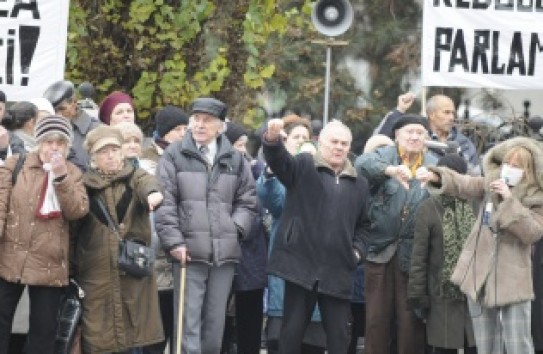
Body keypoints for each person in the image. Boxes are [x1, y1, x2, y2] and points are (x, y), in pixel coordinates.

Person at [420, 136, 543, 354]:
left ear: (529, 170)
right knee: (486, 344)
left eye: (517, 166)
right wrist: (437, 176)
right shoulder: (490, 184)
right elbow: (465, 183)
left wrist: (508, 201)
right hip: (479, 275)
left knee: (519, 344)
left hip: (513, 281)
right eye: (507, 163)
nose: (509, 169)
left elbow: (532, 232)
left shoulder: (537, 197)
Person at [154, 97, 257, 354]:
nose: (200, 125)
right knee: (187, 326)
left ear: (220, 126)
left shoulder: (235, 158)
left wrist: (236, 230)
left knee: (215, 326)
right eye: (196, 119)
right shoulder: (174, 154)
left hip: (224, 253)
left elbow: (248, 200)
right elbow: (165, 202)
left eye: (207, 120)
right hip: (188, 252)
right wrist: (175, 241)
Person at [262, 118, 371, 354]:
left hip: (338, 269)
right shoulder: (303, 166)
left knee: (340, 338)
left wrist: (357, 252)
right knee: (290, 335)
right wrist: (271, 141)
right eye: (334, 141)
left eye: (344, 143)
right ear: (320, 142)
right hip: (300, 265)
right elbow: (279, 162)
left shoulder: (360, 184)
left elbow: (364, 226)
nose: (339, 147)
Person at [0, 115, 89, 353]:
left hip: (50, 263)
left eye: (60, 142)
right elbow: (1, 207)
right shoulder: (16, 165)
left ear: (67, 146)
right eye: (49, 142)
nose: (54, 147)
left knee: (43, 334)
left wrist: (61, 178)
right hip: (12, 257)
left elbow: (77, 210)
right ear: (39, 142)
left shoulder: (74, 174)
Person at [73, 125, 165, 353]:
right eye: (104, 151)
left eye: (115, 149)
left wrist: (153, 195)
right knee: (100, 340)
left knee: (132, 337)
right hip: (96, 275)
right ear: (93, 156)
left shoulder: (136, 176)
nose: (111, 155)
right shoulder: (83, 185)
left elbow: (148, 184)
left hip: (130, 273)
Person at [355, 115, 437, 354]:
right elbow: (361, 164)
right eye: (409, 132)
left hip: (415, 258)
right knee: (376, 321)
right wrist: (390, 171)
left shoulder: (433, 165)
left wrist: (435, 178)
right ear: (397, 136)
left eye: (420, 133)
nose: (414, 137)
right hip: (380, 252)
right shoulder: (384, 156)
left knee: (410, 324)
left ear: (426, 138)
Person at [256, 114, 326, 354]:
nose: (302, 141)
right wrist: (272, 169)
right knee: (283, 339)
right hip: (287, 260)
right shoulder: (279, 174)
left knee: (312, 341)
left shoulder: (321, 171)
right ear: (285, 142)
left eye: (306, 138)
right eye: (296, 137)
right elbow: (273, 202)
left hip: (316, 263)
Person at [407, 153, 477, 354]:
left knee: (475, 344)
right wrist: (419, 298)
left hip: (474, 294)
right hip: (441, 295)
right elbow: (419, 258)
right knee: (444, 347)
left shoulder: (476, 204)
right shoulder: (428, 208)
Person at [222, 121, 267, 354]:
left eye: (243, 144)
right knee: (219, 323)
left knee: (250, 323)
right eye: (236, 144)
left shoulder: (257, 170)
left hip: (252, 257)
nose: (241, 149)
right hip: (225, 252)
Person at [377, 93, 480, 175]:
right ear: (431, 114)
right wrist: (400, 110)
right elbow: (381, 141)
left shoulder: (464, 143)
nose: (451, 117)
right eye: (446, 112)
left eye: (453, 113)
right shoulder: (415, 138)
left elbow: (474, 175)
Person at [43, 80, 101, 171]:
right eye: (54, 111)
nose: (58, 114)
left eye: (61, 109)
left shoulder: (97, 130)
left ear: (74, 102)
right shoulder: (48, 131)